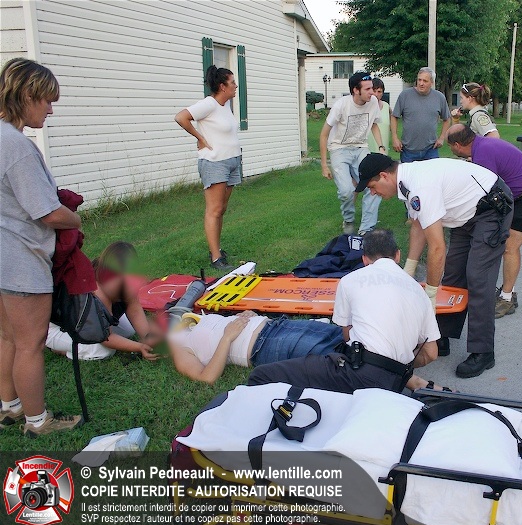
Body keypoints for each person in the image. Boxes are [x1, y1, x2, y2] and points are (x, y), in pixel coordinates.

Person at [355, 154, 513, 379]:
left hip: (491, 207)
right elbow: (418, 226)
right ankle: (441, 337)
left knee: (478, 277)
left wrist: (430, 294)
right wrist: (408, 271)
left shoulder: (420, 186)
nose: (372, 193)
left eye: (372, 186)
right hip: (465, 213)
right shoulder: (407, 183)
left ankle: (483, 351)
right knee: (453, 277)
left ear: (384, 176)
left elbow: (437, 248)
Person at [0, 58, 84, 437]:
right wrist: (75, 218)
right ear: (27, 96)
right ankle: (37, 421)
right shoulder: (16, 146)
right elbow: (47, 212)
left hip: (4, 256)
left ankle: (10, 406)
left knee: (8, 337)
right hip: (21, 260)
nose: (50, 110)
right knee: (31, 344)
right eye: (47, 101)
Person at [248, 229, 441, 393]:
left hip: (358, 374)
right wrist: (397, 365)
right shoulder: (420, 291)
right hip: (396, 379)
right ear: (397, 255)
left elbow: (347, 335)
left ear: (364, 259)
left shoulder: (350, 280)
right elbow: (431, 353)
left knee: (260, 376)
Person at [169, 310, 448, 391]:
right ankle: (412, 382)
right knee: (339, 357)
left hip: (276, 325)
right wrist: (228, 337)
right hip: (264, 345)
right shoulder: (179, 347)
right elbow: (207, 378)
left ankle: (407, 377)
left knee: (349, 338)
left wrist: (244, 317)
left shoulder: (193, 320)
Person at [447, 125, 522, 318]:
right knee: (505, 244)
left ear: (457, 145)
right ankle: (507, 292)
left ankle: (507, 298)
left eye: (450, 146)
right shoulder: (482, 146)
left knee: (510, 247)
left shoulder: (483, 153)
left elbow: (484, 190)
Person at [46, 242, 163, 360]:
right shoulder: (95, 290)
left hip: (90, 323)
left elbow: (134, 309)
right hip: (55, 328)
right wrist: (140, 347)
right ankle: (61, 348)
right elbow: (106, 338)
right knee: (104, 351)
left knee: (128, 330)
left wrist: (149, 338)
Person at [175, 65, 242, 271]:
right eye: (232, 82)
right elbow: (181, 117)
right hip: (215, 163)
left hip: (231, 161)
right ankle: (215, 257)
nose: (236, 86)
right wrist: (200, 138)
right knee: (214, 210)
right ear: (222, 86)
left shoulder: (225, 105)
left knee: (222, 209)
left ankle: (217, 249)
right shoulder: (209, 104)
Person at [320, 72, 386, 236]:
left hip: (361, 148)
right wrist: (324, 165)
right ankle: (348, 220)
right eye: (368, 89)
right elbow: (324, 134)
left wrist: (381, 146)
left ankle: (366, 229)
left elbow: (374, 125)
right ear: (356, 90)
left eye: (372, 88)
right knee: (347, 191)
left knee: (375, 184)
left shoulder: (373, 103)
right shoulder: (341, 105)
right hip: (339, 149)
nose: (372, 92)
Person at [391, 67, 451, 162]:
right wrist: (394, 138)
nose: (421, 83)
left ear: (432, 82)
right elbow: (394, 117)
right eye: (419, 80)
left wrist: (442, 138)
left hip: (431, 150)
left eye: (425, 81)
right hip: (408, 150)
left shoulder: (439, 97)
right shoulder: (405, 95)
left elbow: (447, 119)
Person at [367, 78, 392, 155]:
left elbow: (391, 122)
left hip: (383, 148)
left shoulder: (386, 106)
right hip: (368, 149)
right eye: (374, 91)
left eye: (379, 91)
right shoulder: (365, 107)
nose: (376, 94)